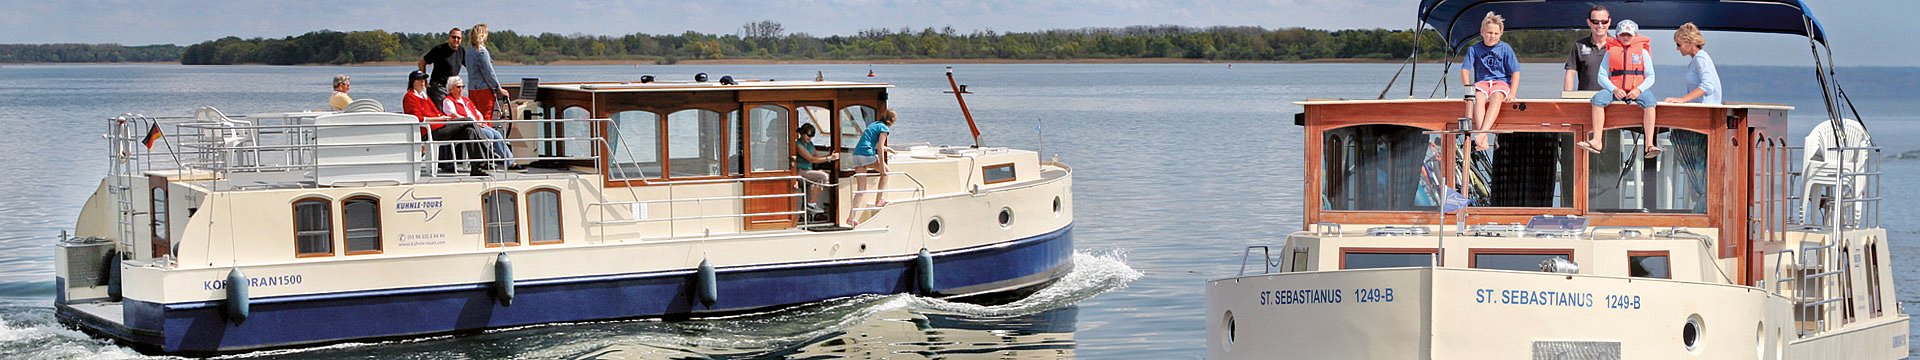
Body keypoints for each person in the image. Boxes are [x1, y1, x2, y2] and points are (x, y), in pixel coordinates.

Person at [1582, 19, 1661, 158]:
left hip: (1637, 90)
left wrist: (1638, 90)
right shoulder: (1610, 52)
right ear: (1617, 35)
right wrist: (1614, 89)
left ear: (1635, 36)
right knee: (1598, 99)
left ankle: (1649, 144)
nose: (1625, 37)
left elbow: (1651, 77)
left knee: (1650, 101)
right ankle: (1597, 140)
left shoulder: (1643, 53)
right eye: (1622, 34)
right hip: (1615, 90)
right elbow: (1602, 76)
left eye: (1629, 35)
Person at [402, 70, 490, 174]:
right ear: (412, 82)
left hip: (441, 127)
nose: (422, 82)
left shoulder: (424, 96)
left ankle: (477, 167)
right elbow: (417, 118)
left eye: (424, 80)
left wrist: (443, 117)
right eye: (419, 80)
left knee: (469, 131)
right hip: (431, 131)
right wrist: (440, 119)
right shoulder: (410, 97)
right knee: (469, 120)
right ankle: (488, 150)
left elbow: (436, 113)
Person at [1458, 11, 1519, 151]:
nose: (1492, 36)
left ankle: (1481, 135)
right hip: (1482, 82)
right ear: (1482, 32)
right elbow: (1465, 69)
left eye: (1496, 34)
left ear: (1501, 34)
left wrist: (1513, 93)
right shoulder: (1474, 49)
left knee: (1496, 97)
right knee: (1478, 97)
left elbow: (1515, 72)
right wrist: (1469, 90)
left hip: (1501, 82)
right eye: (1489, 32)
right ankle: (1482, 138)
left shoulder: (1506, 49)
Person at [442, 76, 512, 168]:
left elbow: (477, 113)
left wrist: (480, 121)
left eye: (462, 87)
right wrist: (472, 122)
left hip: (477, 124)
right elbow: (453, 116)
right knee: (489, 135)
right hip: (465, 127)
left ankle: (509, 161)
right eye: (458, 87)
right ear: (451, 89)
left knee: (497, 134)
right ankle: (485, 161)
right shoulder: (448, 101)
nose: (461, 89)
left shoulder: (466, 100)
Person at [847, 110, 898, 226]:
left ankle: (851, 218)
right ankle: (879, 200)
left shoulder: (874, 124)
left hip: (857, 155)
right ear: (892, 120)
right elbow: (879, 148)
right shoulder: (884, 128)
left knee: (861, 189)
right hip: (866, 155)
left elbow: (870, 142)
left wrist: (888, 149)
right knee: (886, 173)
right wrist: (882, 167)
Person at [1663, 23, 1722, 105]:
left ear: (1690, 43)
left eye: (1679, 44)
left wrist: (1682, 99)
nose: (1677, 48)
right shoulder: (1696, 59)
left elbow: (1708, 85)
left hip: (1706, 110)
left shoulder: (1700, 58)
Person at [792, 122, 839, 214]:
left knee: (822, 176)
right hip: (800, 172)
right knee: (823, 177)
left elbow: (816, 157)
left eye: (812, 136)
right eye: (808, 135)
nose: (809, 138)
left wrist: (830, 156)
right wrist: (829, 158)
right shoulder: (798, 145)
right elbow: (811, 159)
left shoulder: (810, 144)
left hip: (808, 172)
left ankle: (808, 211)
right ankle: (811, 204)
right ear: (802, 133)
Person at [1565, 5, 1611, 92]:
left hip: (1612, 99)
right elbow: (1570, 73)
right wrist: (1567, 99)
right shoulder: (1578, 46)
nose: (1600, 25)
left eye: (1604, 21)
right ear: (1588, 22)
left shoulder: (1618, 46)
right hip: (1585, 99)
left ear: (1609, 22)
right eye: (1595, 22)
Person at [417, 27, 464, 112]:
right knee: (441, 111)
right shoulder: (439, 49)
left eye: (458, 38)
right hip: (438, 87)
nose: (456, 39)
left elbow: (470, 65)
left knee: (454, 111)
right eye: (453, 37)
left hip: (453, 87)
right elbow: (421, 63)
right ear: (449, 38)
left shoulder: (461, 50)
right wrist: (424, 80)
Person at [465, 24, 503, 120]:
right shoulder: (481, 51)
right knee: (485, 117)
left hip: (472, 89)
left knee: (475, 117)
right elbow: (489, 72)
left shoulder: (469, 52)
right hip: (483, 90)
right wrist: (498, 89)